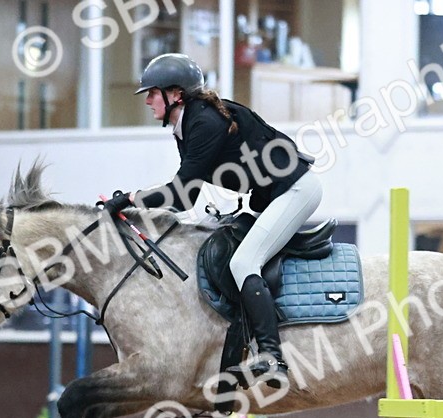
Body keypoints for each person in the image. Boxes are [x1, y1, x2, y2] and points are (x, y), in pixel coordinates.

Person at [102, 53, 322, 388]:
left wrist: (131, 200)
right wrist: (135, 209)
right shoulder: (186, 125)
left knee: (244, 261)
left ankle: (271, 355)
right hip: (275, 195)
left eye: (152, 92)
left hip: (295, 190)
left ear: (175, 94)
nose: (147, 100)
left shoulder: (203, 123)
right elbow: (187, 200)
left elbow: (178, 194)